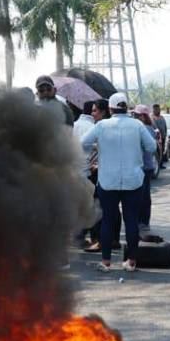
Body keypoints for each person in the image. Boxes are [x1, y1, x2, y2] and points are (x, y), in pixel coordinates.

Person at [80, 93, 156, 272]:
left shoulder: (102, 126)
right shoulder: (137, 125)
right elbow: (151, 147)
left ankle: (106, 262)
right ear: (126, 106)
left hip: (108, 180)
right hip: (133, 180)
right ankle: (131, 262)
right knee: (131, 220)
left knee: (107, 220)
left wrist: (99, 147)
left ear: (111, 109)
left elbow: (83, 143)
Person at [72, 99, 104, 248]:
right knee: (94, 206)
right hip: (89, 172)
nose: (93, 112)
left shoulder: (74, 125)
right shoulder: (94, 127)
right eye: (93, 110)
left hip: (74, 171)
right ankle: (94, 239)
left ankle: (78, 236)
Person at [133, 105, 162, 240]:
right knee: (143, 195)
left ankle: (143, 222)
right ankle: (143, 221)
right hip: (145, 166)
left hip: (144, 166)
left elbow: (149, 147)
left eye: (137, 115)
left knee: (142, 196)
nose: (135, 117)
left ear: (143, 116)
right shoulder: (146, 128)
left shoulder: (145, 129)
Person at [152, 103, 169, 169]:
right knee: (158, 151)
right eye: (156, 109)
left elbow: (165, 126)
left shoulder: (162, 117)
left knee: (162, 151)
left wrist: (165, 134)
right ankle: (158, 165)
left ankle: (161, 164)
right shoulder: (152, 118)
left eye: (158, 109)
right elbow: (154, 127)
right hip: (157, 138)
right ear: (154, 110)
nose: (158, 110)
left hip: (163, 137)